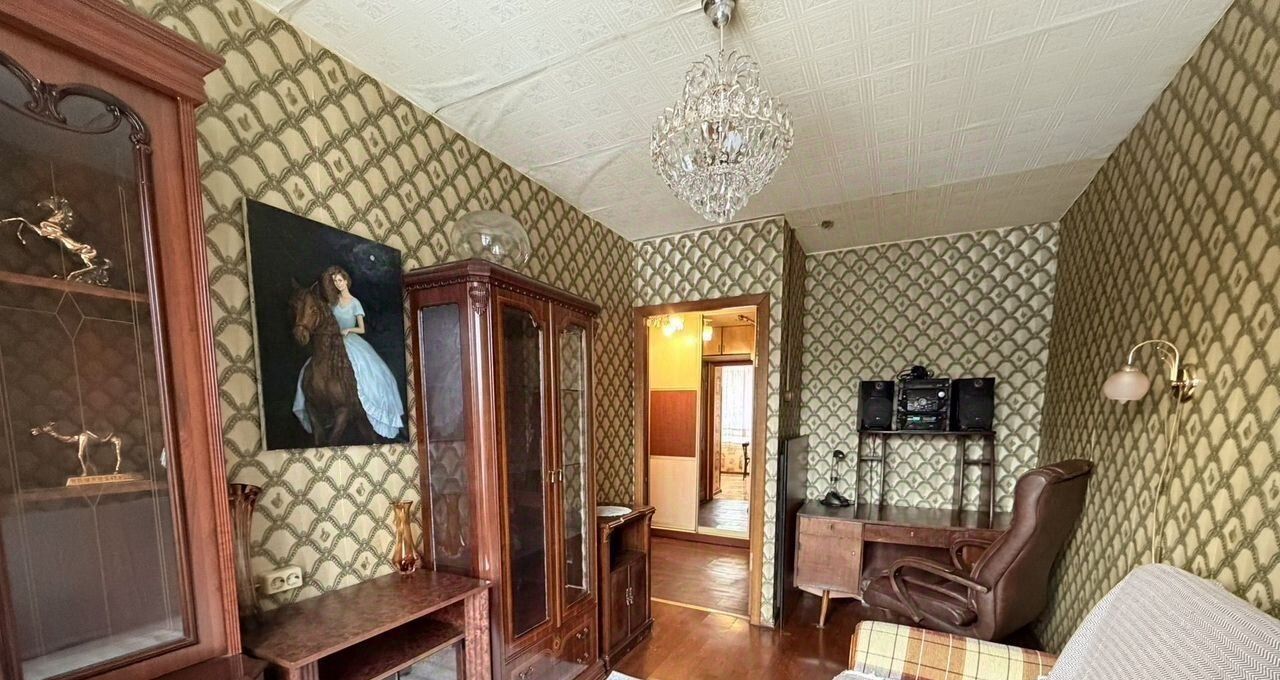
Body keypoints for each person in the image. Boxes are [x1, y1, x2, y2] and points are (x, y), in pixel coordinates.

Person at [293, 265, 404, 440]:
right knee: (310, 367)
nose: (338, 284)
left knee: (367, 371)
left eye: (340, 280)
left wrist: (348, 330)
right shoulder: (331, 303)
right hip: (332, 340)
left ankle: (364, 402)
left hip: (350, 339)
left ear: (346, 281)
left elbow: (361, 328)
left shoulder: (354, 303)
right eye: (334, 281)